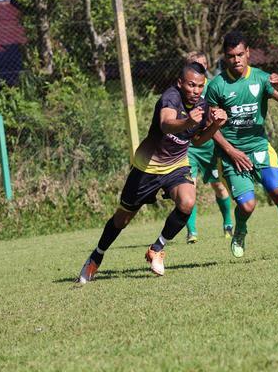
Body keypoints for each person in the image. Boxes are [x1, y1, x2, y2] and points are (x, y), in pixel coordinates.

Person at [77, 62, 227, 282]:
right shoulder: (170, 97)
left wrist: (215, 125)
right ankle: (95, 258)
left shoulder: (202, 107)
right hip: (147, 167)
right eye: (191, 85)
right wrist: (187, 120)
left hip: (176, 165)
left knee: (187, 202)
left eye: (200, 86)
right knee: (123, 219)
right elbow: (166, 124)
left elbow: (196, 139)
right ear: (180, 83)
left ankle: (157, 248)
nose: (195, 91)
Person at [206, 31, 278, 259]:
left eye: (240, 54)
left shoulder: (262, 79)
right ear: (225, 57)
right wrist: (232, 152)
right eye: (232, 56)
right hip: (231, 155)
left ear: (248, 53)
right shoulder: (216, 86)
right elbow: (210, 129)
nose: (237, 60)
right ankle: (240, 230)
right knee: (247, 206)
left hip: (260, 149)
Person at [184, 51, 233, 243]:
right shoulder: (182, 89)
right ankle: (192, 232)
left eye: (203, 63)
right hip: (189, 147)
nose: (200, 67)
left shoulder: (214, 86)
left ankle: (228, 224)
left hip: (210, 144)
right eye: (195, 63)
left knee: (219, 186)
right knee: (189, 187)